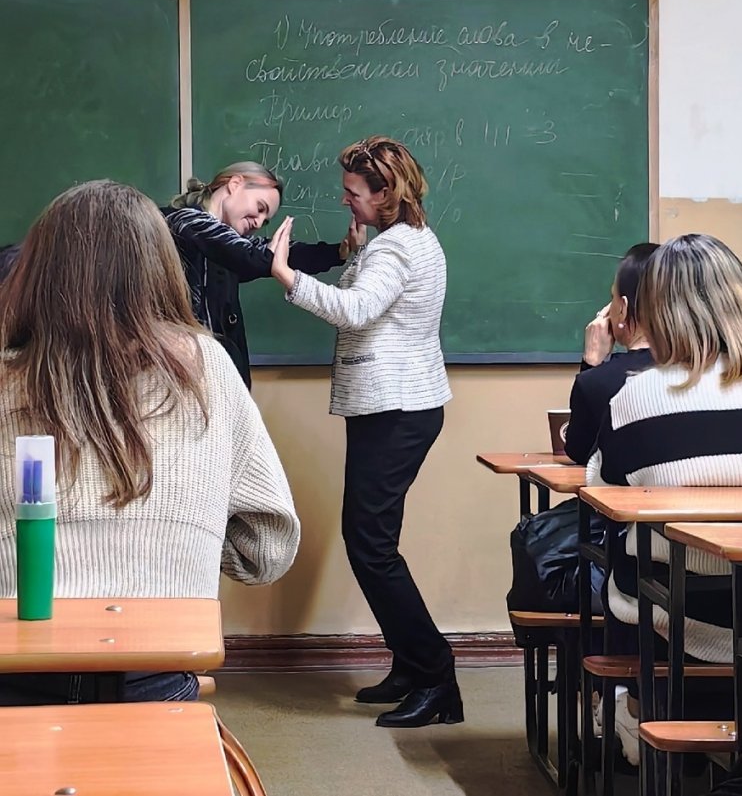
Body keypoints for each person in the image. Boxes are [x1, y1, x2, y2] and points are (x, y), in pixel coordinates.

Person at [0, 180, 300, 705]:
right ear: (163, 269)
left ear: (35, 272)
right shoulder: (209, 369)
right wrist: (187, 537)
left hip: (13, 679)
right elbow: (268, 549)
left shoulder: (7, 377)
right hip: (157, 677)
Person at [589, 233, 742, 762]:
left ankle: (635, 712)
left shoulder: (640, 398)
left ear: (657, 313)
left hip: (694, 614)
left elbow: (606, 489)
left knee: (618, 563)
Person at [269, 136, 458, 729]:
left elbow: (355, 311)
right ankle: (409, 666)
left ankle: (436, 678)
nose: (346, 200)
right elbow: (372, 299)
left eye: (353, 193)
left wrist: (286, 274)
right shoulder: (401, 240)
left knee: (371, 547)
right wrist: (354, 252)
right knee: (374, 543)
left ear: (385, 193)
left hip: (397, 410)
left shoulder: (396, 250)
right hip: (397, 408)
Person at [161, 161, 363, 388]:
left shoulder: (230, 241)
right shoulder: (185, 220)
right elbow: (249, 255)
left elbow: (279, 255)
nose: (258, 222)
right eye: (260, 208)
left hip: (219, 382)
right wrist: (271, 257)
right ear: (235, 184)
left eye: (265, 220)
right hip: (183, 379)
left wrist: (338, 251)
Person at [564, 242, 658, 465]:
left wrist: (592, 363)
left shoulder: (598, 382)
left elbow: (579, 451)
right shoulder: (699, 370)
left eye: (613, 297)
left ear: (623, 308)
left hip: (623, 498)